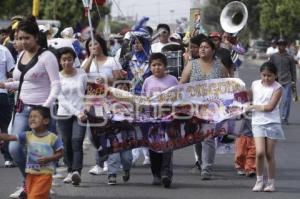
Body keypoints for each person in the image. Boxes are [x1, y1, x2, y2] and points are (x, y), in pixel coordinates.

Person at [0, 16, 61, 198]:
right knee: (14, 149)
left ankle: (39, 188)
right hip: (22, 108)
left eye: (26, 38)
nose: (22, 42)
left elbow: (56, 84)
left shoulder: (47, 56)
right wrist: (6, 85)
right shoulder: (21, 55)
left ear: (35, 37)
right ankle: (29, 181)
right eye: (19, 38)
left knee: (40, 154)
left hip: (41, 111)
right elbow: (23, 82)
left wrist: (45, 108)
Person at [180, 38, 229, 180]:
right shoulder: (192, 64)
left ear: (213, 51)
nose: (202, 49)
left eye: (206, 47)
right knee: (196, 137)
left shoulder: (220, 67)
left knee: (208, 136)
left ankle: (207, 168)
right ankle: (200, 162)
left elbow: (227, 85)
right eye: (201, 47)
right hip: (194, 107)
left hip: (212, 109)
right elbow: (182, 83)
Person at [0, 106, 63, 199]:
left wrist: (49, 159)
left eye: (35, 116)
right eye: (30, 117)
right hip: (30, 175)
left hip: (44, 175)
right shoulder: (27, 135)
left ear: (45, 121)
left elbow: (60, 153)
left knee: (34, 196)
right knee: (34, 195)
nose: (32, 119)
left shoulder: (52, 137)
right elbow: (10, 137)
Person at [82, 34, 122, 175]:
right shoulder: (87, 61)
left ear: (102, 45)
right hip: (92, 102)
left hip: (109, 101)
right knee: (93, 135)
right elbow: (81, 75)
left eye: (96, 44)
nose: (93, 47)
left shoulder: (112, 61)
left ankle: (104, 161)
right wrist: (90, 58)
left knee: (107, 131)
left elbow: (119, 80)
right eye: (90, 45)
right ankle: (105, 156)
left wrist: (106, 79)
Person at [142, 53, 179, 188]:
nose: (157, 68)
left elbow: (179, 97)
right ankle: (156, 174)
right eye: (154, 65)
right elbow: (143, 100)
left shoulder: (173, 80)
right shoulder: (147, 81)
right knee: (153, 148)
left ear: (165, 66)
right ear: (150, 67)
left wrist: (175, 111)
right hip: (152, 120)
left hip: (168, 119)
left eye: (159, 65)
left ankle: (166, 174)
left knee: (167, 147)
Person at [247, 61, 285, 192]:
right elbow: (249, 98)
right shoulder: (255, 84)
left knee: (269, 154)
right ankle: (259, 181)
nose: (266, 78)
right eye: (264, 75)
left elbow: (270, 107)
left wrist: (253, 107)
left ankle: (271, 183)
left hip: (272, 123)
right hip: (257, 122)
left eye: (270, 76)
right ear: (260, 74)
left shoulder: (278, 88)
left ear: (275, 75)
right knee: (259, 153)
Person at [56, 47, 87, 186]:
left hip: (81, 114)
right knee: (67, 143)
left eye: (69, 59)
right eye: (64, 59)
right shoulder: (56, 77)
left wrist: (84, 110)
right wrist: (77, 112)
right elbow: (61, 99)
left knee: (77, 141)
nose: (67, 62)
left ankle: (76, 172)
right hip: (64, 114)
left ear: (74, 60)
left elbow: (87, 92)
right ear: (60, 61)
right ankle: (69, 170)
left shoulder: (82, 73)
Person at [122, 31, 152, 166]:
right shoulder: (129, 59)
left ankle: (148, 155)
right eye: (134, 43)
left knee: (146, 126)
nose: (136, 45)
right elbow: (122, 74)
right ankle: (134, 155)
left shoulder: (151, 60)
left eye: (139, 43)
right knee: (133, 126)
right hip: (132, 96)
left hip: (147, 97)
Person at [269, 38, 296, 125]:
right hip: (276, 81)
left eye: (283, 45)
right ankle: (274, 117)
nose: (281, 47)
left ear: (285, 46)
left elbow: (293, 70)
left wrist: (293, 81)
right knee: (275, 101)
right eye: (279, 45)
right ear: (277, 46)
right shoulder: (273, 57)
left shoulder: (290, 57)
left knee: (286, 101)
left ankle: (284, 118)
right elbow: (269, 68)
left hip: (287, 81)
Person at [0, 44, 15, 167]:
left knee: (5, 126)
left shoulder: (4, 50)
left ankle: (8, 157)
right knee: (5, 126)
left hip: (2, 92)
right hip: (3, 93)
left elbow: (12, 72)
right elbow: (11, 72)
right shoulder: (4, 50)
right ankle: (8, 158)